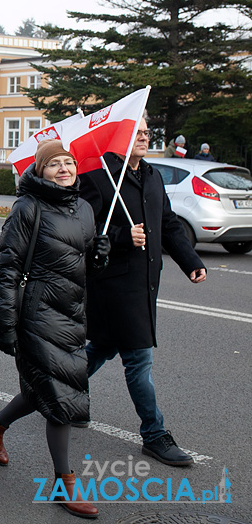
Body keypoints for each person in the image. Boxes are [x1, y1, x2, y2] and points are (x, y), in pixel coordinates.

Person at [0, 140, 109, 519]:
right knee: (60, 400)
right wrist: (5, 325)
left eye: (68, 162)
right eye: (55, 164)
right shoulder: (28, 206)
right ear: (40, 170)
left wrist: (100, 253)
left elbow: (84, 266)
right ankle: (64, 482)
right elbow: (6, 268)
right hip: (35, 314)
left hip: (71, 314)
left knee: (43, 390)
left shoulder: (84, 208)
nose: (64, 168)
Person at [79, 117, 207, 467]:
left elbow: (167, 223)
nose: (144, 137)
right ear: (119, 137)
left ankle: (62, 392)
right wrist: (121, 237)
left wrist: (191, 260)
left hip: (145, 283)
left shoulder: (151, 175)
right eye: (136, 131)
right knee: (138, 360)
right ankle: (154, 434)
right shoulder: (99, 176)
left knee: (102, 348)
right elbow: (83, 232)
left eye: (147, 132)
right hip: (113, 286)